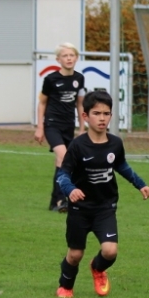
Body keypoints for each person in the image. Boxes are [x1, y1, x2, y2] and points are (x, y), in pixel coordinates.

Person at [54, 90, 149, 298]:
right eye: (96, 113)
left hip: (105, 207)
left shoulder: (115, 143)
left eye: (106, 114)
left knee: (110, 251)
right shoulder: (78, 146)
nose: (102, 118)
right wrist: (71, 190)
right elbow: (62, 175)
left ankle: (97, 268)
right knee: (75, 254)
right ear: (85, 116)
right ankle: (65, 285)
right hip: (80, 210)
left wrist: (140, 184)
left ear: (111, 116)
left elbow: (121, 165)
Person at [35, 43, 86, 212]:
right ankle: (61, 200)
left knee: (64, 162)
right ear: (58, 59)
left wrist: (82, 128)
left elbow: (80, 104)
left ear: (76, 58)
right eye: (65, 56)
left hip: (68, 126)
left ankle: (55, 201)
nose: (69, 58)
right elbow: (42, 103)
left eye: (71, 55)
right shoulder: (51, 79)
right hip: (52, 125)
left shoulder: (79, 79)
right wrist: (40, 127)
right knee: (63, 157)